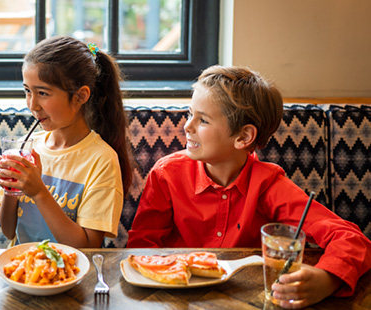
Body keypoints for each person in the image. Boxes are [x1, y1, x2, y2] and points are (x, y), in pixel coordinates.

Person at [127, 65, 371, 308]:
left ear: (243, 137)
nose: (187, 126)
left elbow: (352, 239)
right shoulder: (166, 174)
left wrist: (327, 278)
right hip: (174, 298)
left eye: (203, 120)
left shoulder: (268, 185)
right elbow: (139, 249)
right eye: (190, 113)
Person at [0, 36, 132, 248]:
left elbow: (87, 247)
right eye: (27, 91)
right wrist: (11, 188)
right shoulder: (25, 147)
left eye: (42, 93)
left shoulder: (101, 160)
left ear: (80, 96)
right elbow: (8, 230)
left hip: (73, 274)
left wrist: (39, 192)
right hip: (23, 271)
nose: (32, 105)